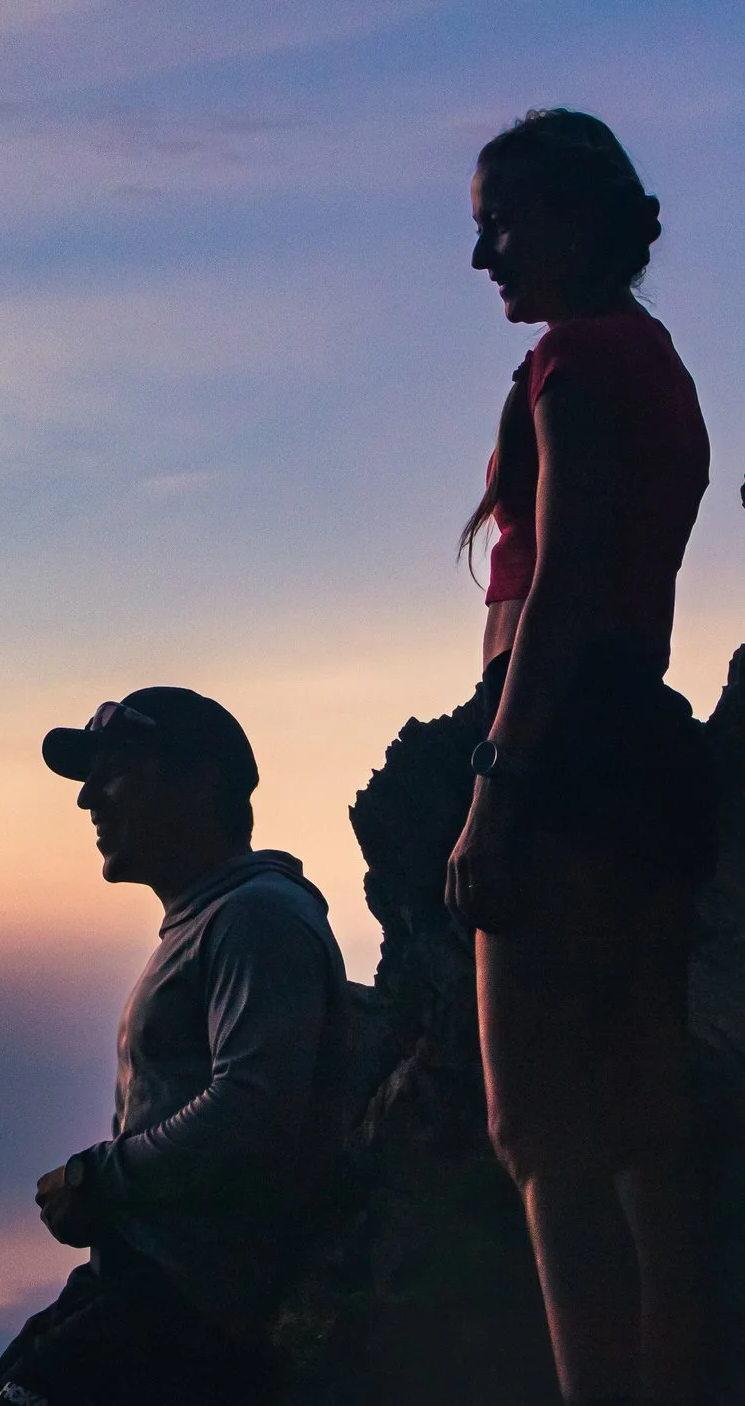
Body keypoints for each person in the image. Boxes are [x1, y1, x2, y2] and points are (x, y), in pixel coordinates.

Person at [445, 109, 717, 1406]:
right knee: (644, 1135)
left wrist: (496, 786)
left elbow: (555, 592)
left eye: (499, 221)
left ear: (574, 220)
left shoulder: (577, 365)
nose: (484, 253)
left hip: (565, 748)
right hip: (641, 747)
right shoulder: (651, 358)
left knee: (540, 1132)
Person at [0, 688, 346, 1406]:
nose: (89, 801)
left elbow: (252, 1112)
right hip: (152, 1285)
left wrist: (98, 1178)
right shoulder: (214, 919)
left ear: (199, 780)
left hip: (199, 1308)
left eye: (115, 772)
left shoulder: (255, 918)